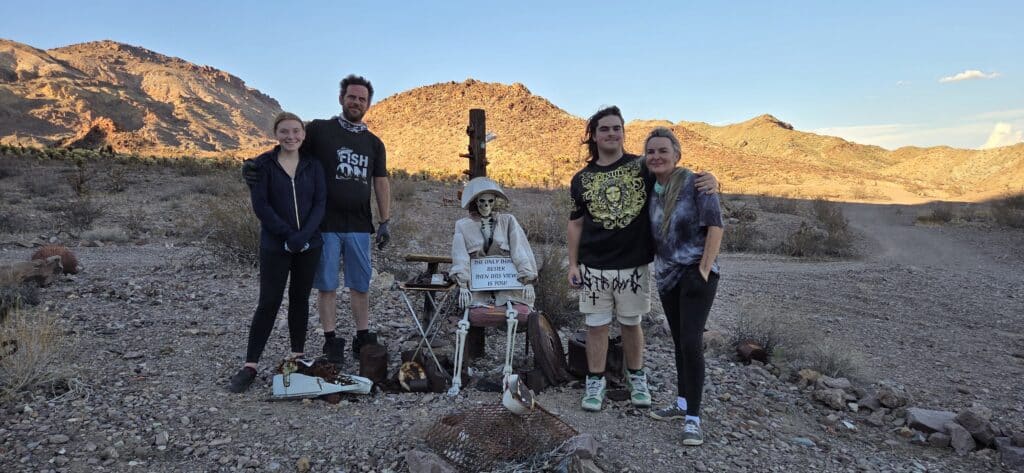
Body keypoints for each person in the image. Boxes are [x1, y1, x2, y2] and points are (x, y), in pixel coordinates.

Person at [567, 106, 717, 412]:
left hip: (633, 264)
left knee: (631, 323)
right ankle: (595, 382)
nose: (611, 134)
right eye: (604, 129)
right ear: (593, 136)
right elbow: (576, 222)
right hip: (594, 264)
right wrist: (572, 263)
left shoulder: (641, 167)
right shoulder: (581, 179)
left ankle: (637, 378)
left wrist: (712, 179)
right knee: (596, 325)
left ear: (623, 132)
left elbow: (675, 174)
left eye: (616, 128)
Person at [243, 75, 391, 366]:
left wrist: (385, 220)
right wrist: (254, 167)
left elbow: (381, 181)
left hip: (360, 224)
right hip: (324, 223)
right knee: (327, 285)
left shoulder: (374, 143)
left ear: (369, 104)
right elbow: (289, 145)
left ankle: (362, 333)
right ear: (341, 98)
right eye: (352, 97)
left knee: (360, 283)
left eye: (362, 99)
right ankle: (330, 338)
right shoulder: (321, 130)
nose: (356, 102)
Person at [229, 112, 326, 393]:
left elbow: (320, 203)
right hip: (275, 244)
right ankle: (250, 364)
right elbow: (261, 206)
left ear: (304, 135)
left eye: (296, 131)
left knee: (299, 299)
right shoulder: (263, 165)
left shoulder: (313, 165)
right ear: (276, 134)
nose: (291, 137)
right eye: (285, 131)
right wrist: (288, 235)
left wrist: (304, 236)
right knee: (269, 301)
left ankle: (296, 356)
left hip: (309, 244)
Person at [643, 127, 723, 447]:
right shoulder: (651, 186)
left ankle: (693, 418)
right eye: (651, 151)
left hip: (695, 275)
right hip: (666, 276)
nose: (657, 156)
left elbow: (715, 226)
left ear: (677, 154)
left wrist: (703, 268)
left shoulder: (696, 183)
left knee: (691, 343)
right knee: (678, 341)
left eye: (663, 150)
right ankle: (680, 403)